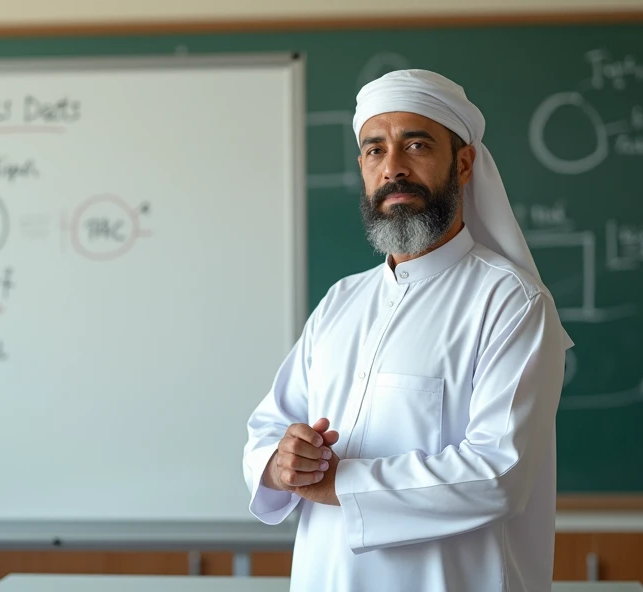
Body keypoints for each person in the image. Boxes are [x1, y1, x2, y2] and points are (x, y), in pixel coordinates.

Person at [242, 69, 574, 592]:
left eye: (415, 145)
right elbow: (269, 426)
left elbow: (499, 474)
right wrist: (281, 463)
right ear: (363, 169)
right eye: (375, 151)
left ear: (462, 164)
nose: (393, 167)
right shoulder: (341, 301)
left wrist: (340, 482)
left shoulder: (510, 300)